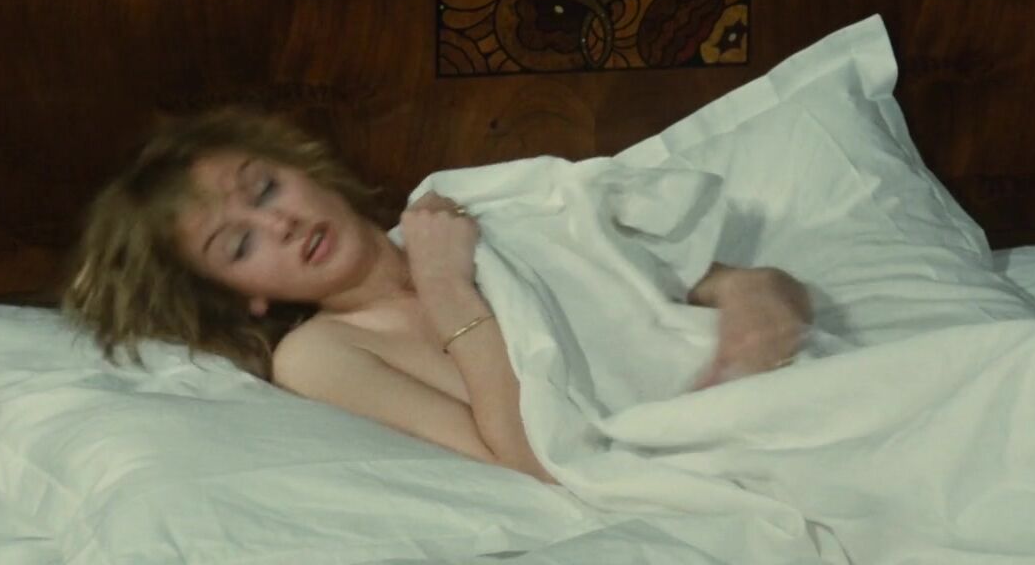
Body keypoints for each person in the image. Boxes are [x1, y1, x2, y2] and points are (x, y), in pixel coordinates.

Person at [63, 108, 811, 482]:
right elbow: (533, 461)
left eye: (264, 189)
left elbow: (696, 283)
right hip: (674, 462)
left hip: (762, 397)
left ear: (301, 168)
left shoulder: (465, 207)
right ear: (240, 296)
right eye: (240, 244)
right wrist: (447, 286)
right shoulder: (323, 354)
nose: (279, 223)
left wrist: (756, 293)